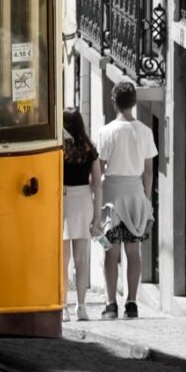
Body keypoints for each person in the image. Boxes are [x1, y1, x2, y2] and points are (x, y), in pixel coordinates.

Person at [97, 81, 157, 320]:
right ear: (134, 102)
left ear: (114, 101)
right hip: (135, 195)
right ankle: (131, 303)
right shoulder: (145, 131)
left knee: (110, 252)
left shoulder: (106, 132)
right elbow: (149, 171)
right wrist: (146, 199)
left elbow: (100, 168)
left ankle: (110, 304)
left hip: (111, 194)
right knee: (134, 251)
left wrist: (96, 200)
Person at [63, 108, 103, 322]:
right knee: (81, 259)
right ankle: (81, 306)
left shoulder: (58, 149)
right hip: (84, 200)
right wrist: (97, 217)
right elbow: (97, 184)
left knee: (63, 259)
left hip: (63, 199)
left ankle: (63, 307)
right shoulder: (90, 149)